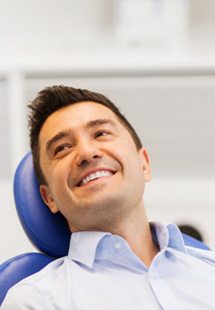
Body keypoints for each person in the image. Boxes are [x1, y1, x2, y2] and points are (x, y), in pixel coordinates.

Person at [2, 85, 215, 309]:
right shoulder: (36, 300)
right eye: (62, 148)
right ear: (49, 198)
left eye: (101, 133)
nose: (86, 152)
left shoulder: (208, 269)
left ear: (144, 164)